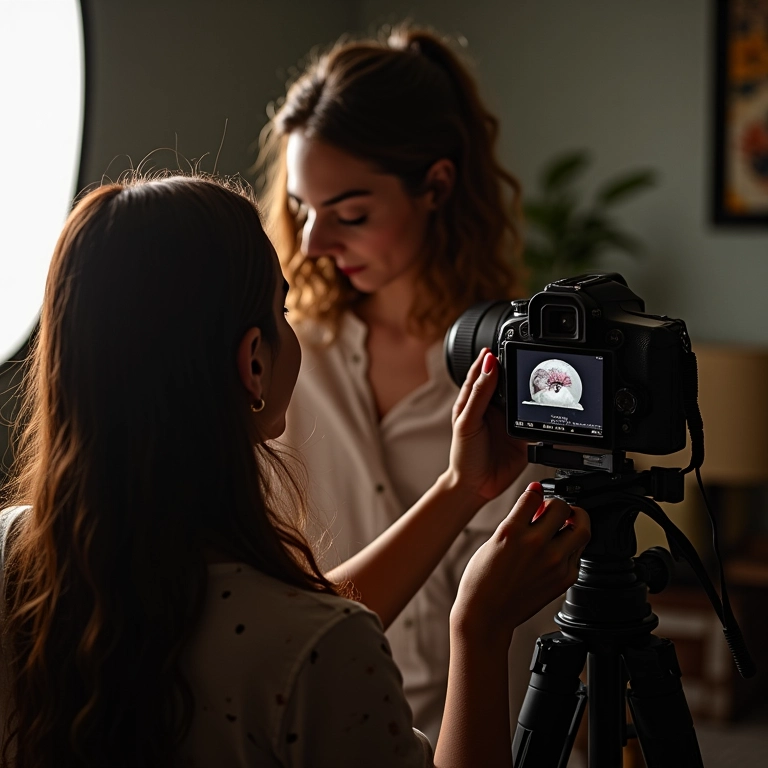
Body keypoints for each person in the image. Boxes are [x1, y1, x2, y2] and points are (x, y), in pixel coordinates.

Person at [0, 174, 588, 767]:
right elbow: (301, 638)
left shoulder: (13, 557)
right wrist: (480, 628)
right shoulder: (315, 648)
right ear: (253, 362)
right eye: (282, 310)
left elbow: (282, 627)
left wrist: (460, 489)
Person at [257, 23, 560, 742]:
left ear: (437, 185)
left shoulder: (520, 374)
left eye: (351, 214)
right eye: (302, 208)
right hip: (317, 732)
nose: (314, 242)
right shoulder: (285, 360)